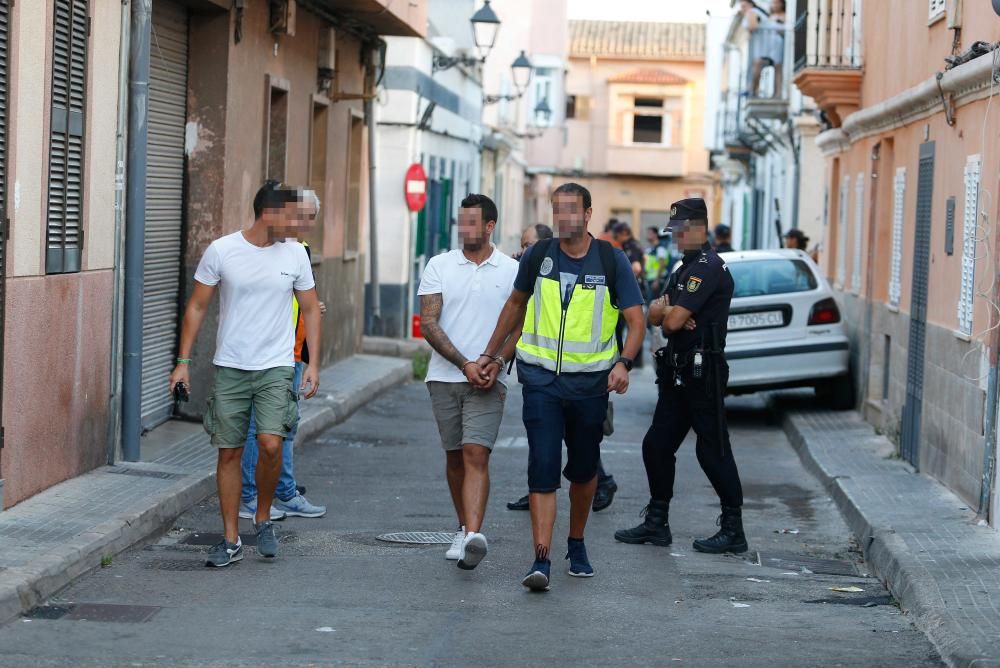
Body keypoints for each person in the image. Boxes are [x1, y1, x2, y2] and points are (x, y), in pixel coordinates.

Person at [478, 183, 646, 591]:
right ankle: (541, 559)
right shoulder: (538, 255)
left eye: (572, 209)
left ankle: (577, 541)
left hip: (590, 385)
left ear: (588, 214)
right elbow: (515, 306)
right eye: (558, 209)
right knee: (543, 465)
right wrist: (490, 354)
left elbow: (636, 320)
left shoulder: (611, 260)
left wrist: (623, 363)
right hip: (541, 382)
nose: (564, 217)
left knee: (584, 471)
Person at [170, 181, 322, 567]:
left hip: (276, 366)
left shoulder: (296, 254)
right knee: (230, 452)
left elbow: (310, 308)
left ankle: (263, 517)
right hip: (231, 367)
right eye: (290, 215)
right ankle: (230, 539)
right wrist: (183, 362)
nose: (296, 224)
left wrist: (313, 363)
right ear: (268, 214)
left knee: (271, 444)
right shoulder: (223, 250)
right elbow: (197, 307)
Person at [615, 198, 747, 555]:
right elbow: (655, 314)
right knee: (656, 445)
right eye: (673, 231)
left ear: (698, 228)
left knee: (712, 449)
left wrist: (671, 311)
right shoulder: (684, 267)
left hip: (703, 371)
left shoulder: (708, 267)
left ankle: (733, 528)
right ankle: (657, 522)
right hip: (677, 369)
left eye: (681, 230)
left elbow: (670, 321)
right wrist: (670, 310)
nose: (675, 237)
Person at [418, 194, 520, 571]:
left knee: (476, 452)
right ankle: (462, 528)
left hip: (490, 378)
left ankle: (473, 536)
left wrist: (496, 361)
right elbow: (429, 322)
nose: (464, 228)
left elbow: (520, 324)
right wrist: (464, 364)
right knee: (455, 456)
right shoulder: (439, 265)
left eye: (472, 222)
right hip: (445, 375)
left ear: (490, 226)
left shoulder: (511, 270)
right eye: (461, 221)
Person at [507, 221, 620, 514]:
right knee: (545, 442)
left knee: (575, 442)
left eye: (528, 245)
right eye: (522, 246)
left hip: (581, 377)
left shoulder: (578, 266)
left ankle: (600, 481)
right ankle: (538, 489)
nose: (523, 251)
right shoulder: (531, 267)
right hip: (543, 375)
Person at [239, 229, 328, 522]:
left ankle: (283, 490)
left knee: (286, 426)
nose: (306, 222)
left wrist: (312, 309)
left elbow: (301, 302)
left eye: (310, 217)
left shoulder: (301, 248)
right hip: (273, 354)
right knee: (260, 426)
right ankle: (253, 496)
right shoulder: (266, 247)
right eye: (302, 214)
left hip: (294, 352)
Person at [742, 0, 785, 98]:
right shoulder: (756, 13)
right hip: (766, 43)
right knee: (774, 67)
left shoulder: (751, 12)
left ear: (750, 5)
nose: (742, 9)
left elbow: (753, 26)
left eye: (744, 6)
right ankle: (772, 93)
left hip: (770, 42)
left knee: (765, 65)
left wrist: (749, 33)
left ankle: (754, 91)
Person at [644, 226, 670, 298]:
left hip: (656, 281)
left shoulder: (660, 249)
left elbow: (662, 265)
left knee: (652, 301)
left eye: (649, 233)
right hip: (650, 280)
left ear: (655, 235)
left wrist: (657, 280)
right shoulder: (650, 250)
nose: (647, 235)